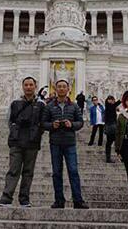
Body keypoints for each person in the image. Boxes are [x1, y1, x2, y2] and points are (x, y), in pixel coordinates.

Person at [41, 79, 89, 209]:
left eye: (64, 87)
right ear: (55, 89)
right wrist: (52, 125)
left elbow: (80, 122)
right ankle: (59, 200)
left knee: (73, 171)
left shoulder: (74, 106)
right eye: (59, 87)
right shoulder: (49, 106)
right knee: (56, 172)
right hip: (55, 142)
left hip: (70, 142)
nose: (62, 89)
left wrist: (71, 124)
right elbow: (43, 123)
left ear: (68, 89)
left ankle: (78, 200)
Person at [0, 77, 45, 207]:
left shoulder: (41, 104)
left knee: (28, 172)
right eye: (26, 85)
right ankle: (6, 197)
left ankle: (24, 198)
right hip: (16, 141)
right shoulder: (15, 103)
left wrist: (36, 133)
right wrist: (14, 131)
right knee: (13, 169)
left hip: (32, 142)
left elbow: (43, 122)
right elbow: (9, 120)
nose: (28, 87)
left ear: (35, 86)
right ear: (23, 86)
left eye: (31, 85)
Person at [104, 95, 121, 163]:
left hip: (112, 126)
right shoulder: (108, 106)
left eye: (113, 99)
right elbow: (114, 105)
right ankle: (109, 158)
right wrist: (120, 100)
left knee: (113, 142)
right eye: (111, 99)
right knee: (111, 142)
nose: (112, 101)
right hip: (111, 127)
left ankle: (114, 157)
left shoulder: (111, 107)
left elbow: (114, 107)